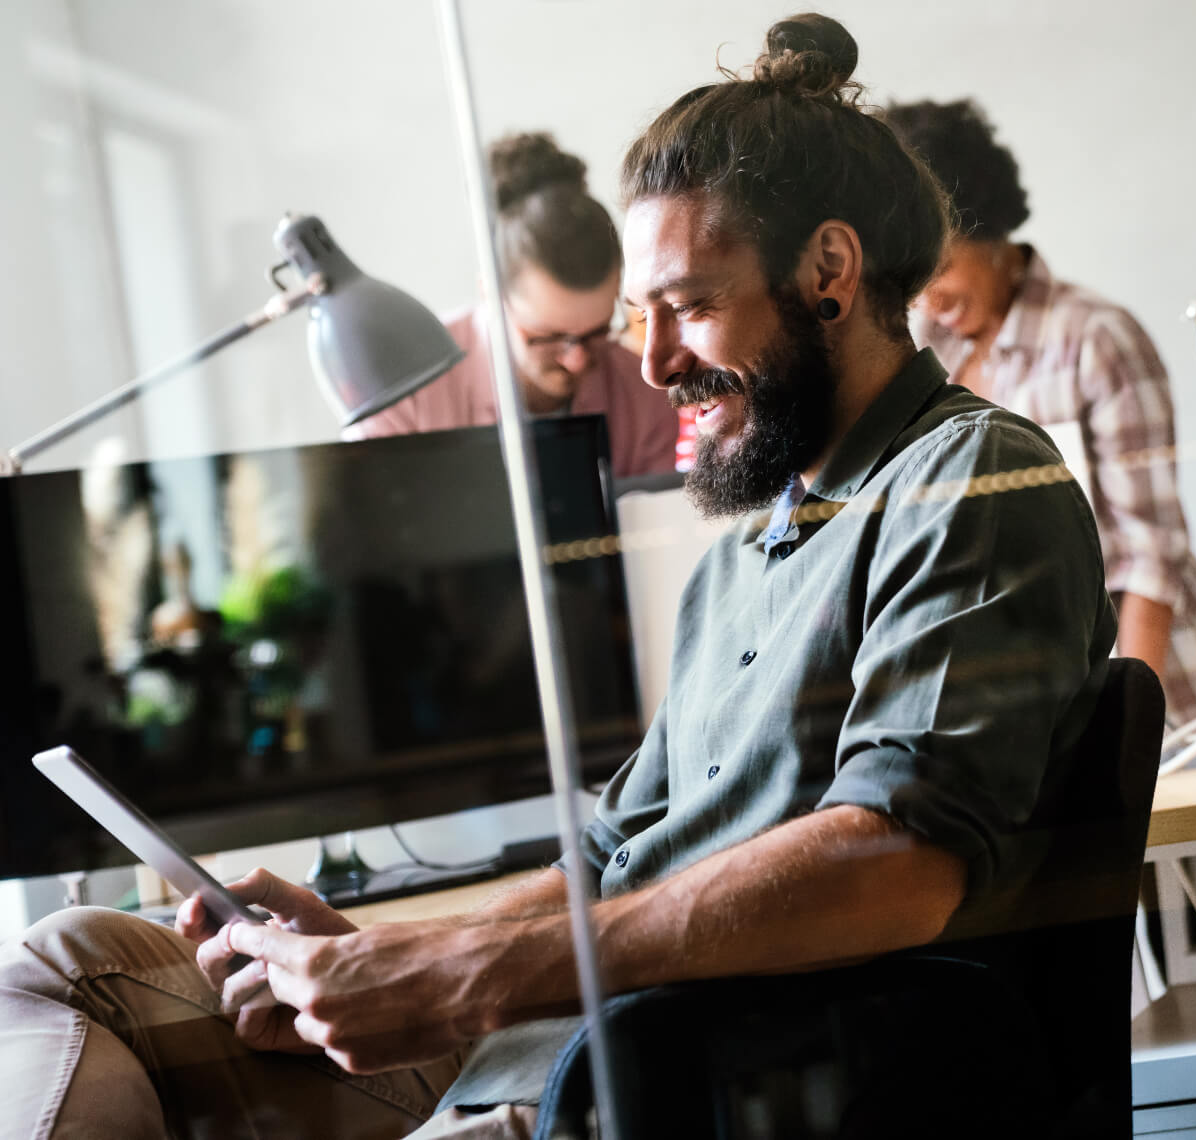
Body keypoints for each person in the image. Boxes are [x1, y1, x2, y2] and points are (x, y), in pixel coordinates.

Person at [0, 14, 1116, 1138]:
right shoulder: (748, 551)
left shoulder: (966, 480)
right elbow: (611, 855)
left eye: (686, 305)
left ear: (829, 270)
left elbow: (895, 864)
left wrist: (468, 977)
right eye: (645, 315)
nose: (651, 362)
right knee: (68, 957)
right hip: (556, 1042)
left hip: (679, 1078)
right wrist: (394, 951)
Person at [884, 99, 1196, 726]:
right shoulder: (926, 355)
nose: (927, 294)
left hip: (1150, 683)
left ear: (986, 229)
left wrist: (1128, 734)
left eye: (940, 265)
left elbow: (1150, 557)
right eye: (910, 276)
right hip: (1033, 702)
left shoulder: (1095, 340)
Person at [347, 132, 678, 480]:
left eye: (598, 332)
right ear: (489, 294)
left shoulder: (644, 396)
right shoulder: (405, 390)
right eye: (548, 336)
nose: (577, 360)